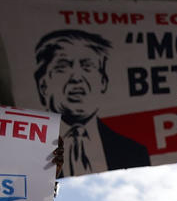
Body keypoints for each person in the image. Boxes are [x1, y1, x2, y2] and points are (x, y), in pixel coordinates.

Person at [34, 30, 151, 175]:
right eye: (63, 66)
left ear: (103, 82)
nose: (77, 77)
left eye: (87, 66)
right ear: (43, 84)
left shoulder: (134, 151)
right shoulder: (25, 151)